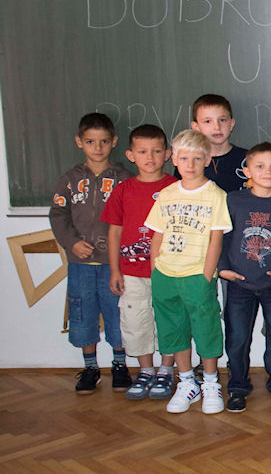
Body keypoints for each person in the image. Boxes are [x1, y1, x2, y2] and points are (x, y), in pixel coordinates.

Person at [145, 130, 233, 414]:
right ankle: (186, 382)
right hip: (166, 275)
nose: (190, 164)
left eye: (197, 158)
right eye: (184, 158)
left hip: (197, 275)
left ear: (207, 159)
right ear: (174, 159)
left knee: (206, 328)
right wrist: (155, 268)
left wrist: (207, 274)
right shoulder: (167, 194)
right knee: (173, 329)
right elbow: (157, 234)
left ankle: (210, 382)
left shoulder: (216, 195)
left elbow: (216, 239)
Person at [50, 112, 134, 394]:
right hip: (81, 263)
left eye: (104, 141)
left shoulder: (124, 179)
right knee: (82, 312)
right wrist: (71, 242)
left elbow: (133, 218)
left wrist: (123, 251)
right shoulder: (70, 179)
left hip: (115, 264)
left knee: (117, 313)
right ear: (79, 142)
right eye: (90, 141)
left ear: (114, 142)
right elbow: (58, 214)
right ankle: (90, 368)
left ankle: (120, 365)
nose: (97, 148)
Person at [219, 142, 271, 413]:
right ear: (247, 170)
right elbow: (220, 236)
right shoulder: (233, 200)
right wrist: (222, 268)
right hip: (239, 283)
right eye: (260, 166)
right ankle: (238, 386)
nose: (268, 172)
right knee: (237, 338)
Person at [100, 124, 177, 400]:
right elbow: (114, 232)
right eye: (143, 152)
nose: (150, 157)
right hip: (132, 272)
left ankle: (166, 369)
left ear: (167, 154)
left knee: (169, 319)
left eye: (156, 151)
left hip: (168, 271)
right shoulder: (123, 190)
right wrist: (115, 270)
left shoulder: (175, 188)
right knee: (136, 320)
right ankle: (145, 370)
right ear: (131, 155)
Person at [174, 94, 247, 193]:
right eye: (208, 121)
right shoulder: (188, 163)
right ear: (196, 127)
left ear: (231, 124)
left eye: (222, 120)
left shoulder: (249, 159)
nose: (217, 127)